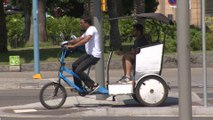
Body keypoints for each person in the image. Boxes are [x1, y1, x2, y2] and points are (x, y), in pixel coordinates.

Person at [67, 16, 101, 94]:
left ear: (87, 23)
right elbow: (79, 39)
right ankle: (79, 87)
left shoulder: (92, 29)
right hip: (89, 55)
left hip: (94, 56)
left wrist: (74, 46)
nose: (80, 24)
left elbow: (86, 40)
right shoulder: (87, 31)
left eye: (81, 23)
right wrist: (68, 42)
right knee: (74, 65)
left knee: (78, 70)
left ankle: (93, 85)